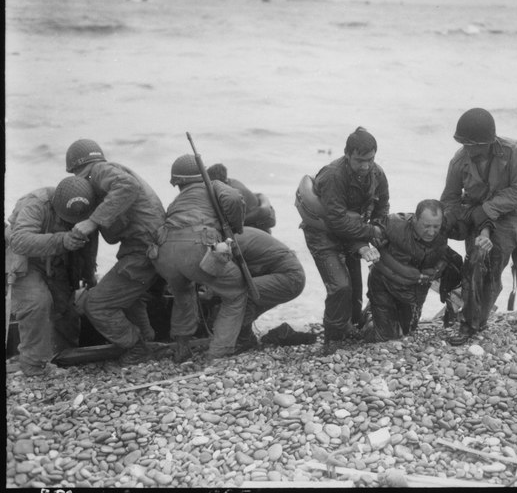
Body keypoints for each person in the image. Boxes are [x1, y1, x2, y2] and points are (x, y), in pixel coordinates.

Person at [153, 155, 305, 361]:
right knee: (236, 293)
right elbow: (233, 198)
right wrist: (234, 226)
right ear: (203, 174)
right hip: (198, 246)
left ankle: (182, 349)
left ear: (177, 182)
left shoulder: (176, 203)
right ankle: (218, 354)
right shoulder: (213, 187)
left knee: (183, 294)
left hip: (164, 251)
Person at [65, 139, 166, 364]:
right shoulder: (108, 176)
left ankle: (137, 347)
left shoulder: (100, 171)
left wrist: (91, 222)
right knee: (128, 297)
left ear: (76, 169)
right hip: (147, 248)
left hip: (143, 250)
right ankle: (146, 340)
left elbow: (127, 186)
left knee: (95, 304)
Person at [440, 108, 517, 345]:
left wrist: (488, 212)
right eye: (464, 144)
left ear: (490, 142)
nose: (468, 149)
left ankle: (472, 323)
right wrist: (451, 222)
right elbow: (449, 199)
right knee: (473, 262)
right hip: (474, 212)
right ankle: (465, 305)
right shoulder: (459, 160)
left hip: (507, 216)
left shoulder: (512, 153)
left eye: (474, 145)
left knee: (489, 263)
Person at [297, 127, 389, 350]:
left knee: (355, 290)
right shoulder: (333, 176)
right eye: (360, 160)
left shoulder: (376, 173)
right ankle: (333, 338)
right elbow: (336, 221)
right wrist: (369, 234)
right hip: (323, 234)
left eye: (370, 159)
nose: (366, 166)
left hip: (353, 232)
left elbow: (382, 206)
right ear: (347, 155)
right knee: (340, 287)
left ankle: (353, 326)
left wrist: (378, 228)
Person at [5, 176, 99, 376]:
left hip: (55, 261)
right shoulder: (35, 204)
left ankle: (64, 358)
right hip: (25, 261)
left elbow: (89, 245)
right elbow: (19, 241)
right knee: (37, 301)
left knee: (65, 310)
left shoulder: (87, 208)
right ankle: (34, 365)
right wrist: (63, 240)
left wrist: (89, 275)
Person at [362, 199, 452, 342]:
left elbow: (448, 253)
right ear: (415, 219)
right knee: (385, 336)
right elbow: (365, 232)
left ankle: (382, 316)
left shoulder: (444, 231)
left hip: (413, 291)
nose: (431, 232)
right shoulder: (394, 223)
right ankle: (370, 315)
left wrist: (437, 270)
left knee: (407, 331)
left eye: (436, 226)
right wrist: (370, 245)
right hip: (384, 284)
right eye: (426, 226)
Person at [207, 163, 276, 233]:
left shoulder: (234, 193)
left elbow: (235, 221)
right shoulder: (230, 182)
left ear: (225, 181)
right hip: (255, 217)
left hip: (257, 226)